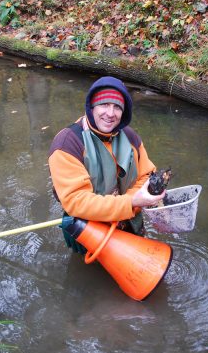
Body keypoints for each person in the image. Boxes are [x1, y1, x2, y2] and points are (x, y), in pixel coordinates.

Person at [48, 76, 165, 254]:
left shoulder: (130, 136)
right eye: (104, 104)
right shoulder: (67, 143)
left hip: (130, 221)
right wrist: (131, 202)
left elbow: (147, 176)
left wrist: (133, 202)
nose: (110, 114)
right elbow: (76, 201)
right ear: (92, 107)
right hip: (91, 231)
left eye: (117, 107)